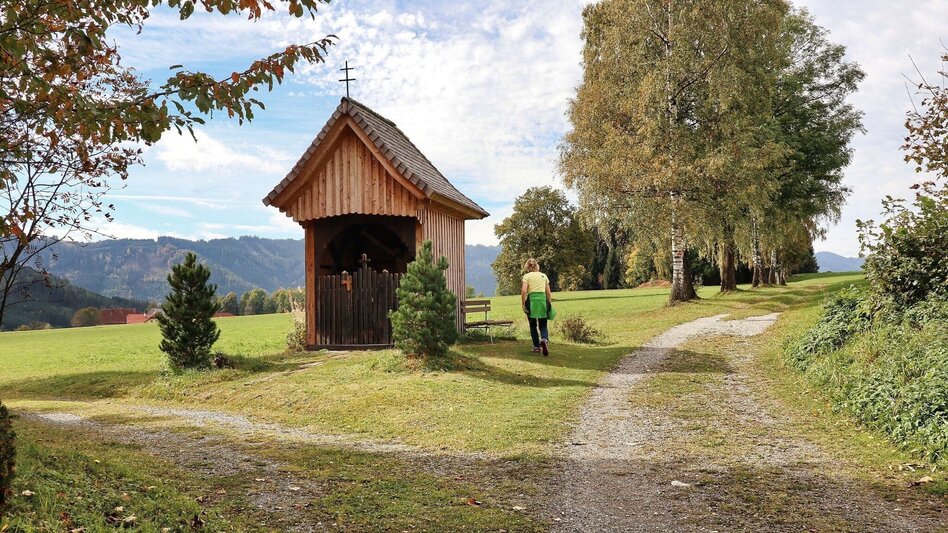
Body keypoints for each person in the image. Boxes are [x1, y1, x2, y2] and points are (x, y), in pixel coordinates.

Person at [521, 258, 554, 355]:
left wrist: (523, 304)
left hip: (531, 301)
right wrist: (549, 304)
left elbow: (523, 291)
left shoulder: (527, 276)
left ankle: (536, 347)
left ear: (527, 266)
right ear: (537, 265)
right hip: (542, 300)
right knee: (543, 324)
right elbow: (548, 293)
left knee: (532, 325)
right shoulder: (543, 276)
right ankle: (544, 339)